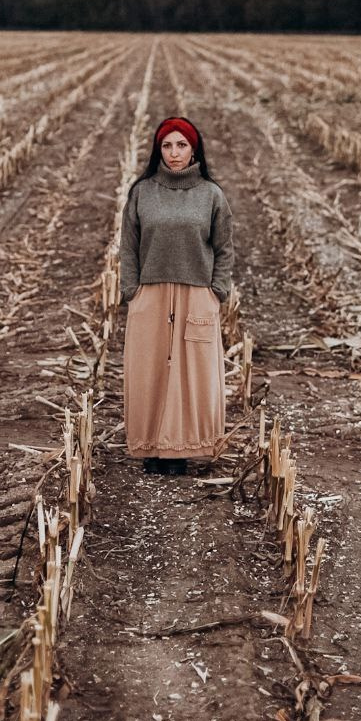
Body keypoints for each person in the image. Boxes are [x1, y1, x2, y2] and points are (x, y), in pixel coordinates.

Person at [119, 116, 234, 476]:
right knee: (148, 370)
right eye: (167, 146)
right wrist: (131, 291)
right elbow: (129, 247)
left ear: (194, 148)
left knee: (192, 374)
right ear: (158, 150)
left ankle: (183, 449)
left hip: (196, 292)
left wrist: (217, 292)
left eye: (181, 145)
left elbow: (225, 249)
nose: (174, 153)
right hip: (150, 293)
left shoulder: (211, 195)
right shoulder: (142, 192)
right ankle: (150, 447)